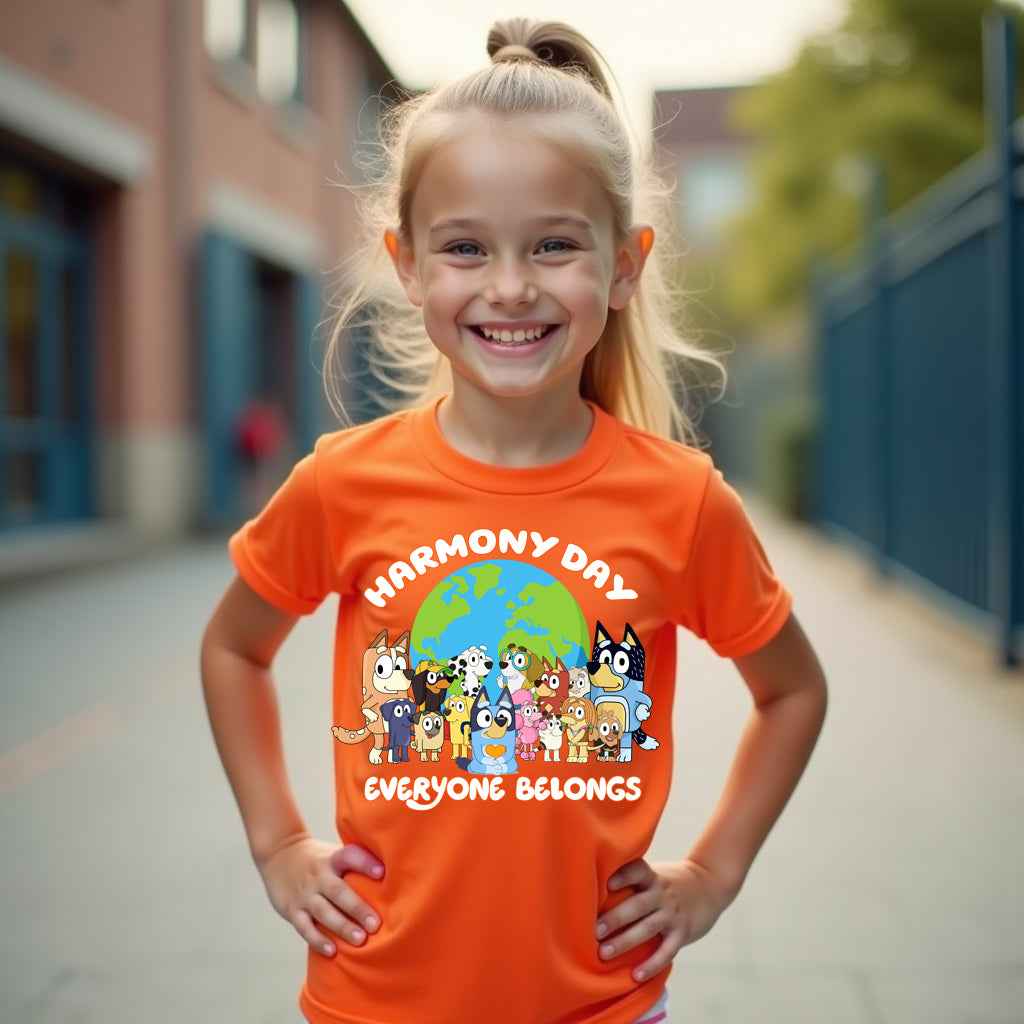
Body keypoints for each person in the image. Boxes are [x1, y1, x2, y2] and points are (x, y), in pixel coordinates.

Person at [200, 17, 827, 1024]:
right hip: (375, 998)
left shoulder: (682, 500)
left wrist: (713, 870)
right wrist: (277, 841)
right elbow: (235, 646)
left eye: (553, 244)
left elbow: (792, 688)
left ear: (623, 265)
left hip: (602, 1004)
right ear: (407, 267)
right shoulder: (342, 483)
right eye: (463, 247)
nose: (508, 285)